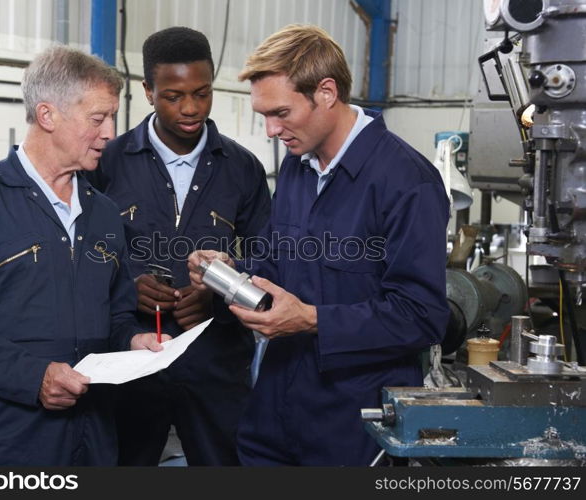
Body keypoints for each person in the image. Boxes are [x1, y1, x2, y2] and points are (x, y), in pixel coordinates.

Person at [188, 24, 450, 466]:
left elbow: (421, 316)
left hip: (352, 427)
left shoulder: (407, 182)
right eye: (263, 116)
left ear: (326, 92)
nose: (271, 130)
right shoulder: (297, 166)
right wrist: (229, 271)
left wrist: (312, 321)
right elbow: (276, 261)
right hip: (273, 416)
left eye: (281, 113)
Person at [0, 45, 166, 466]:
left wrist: (133, 340)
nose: (110, 133)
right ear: (48, 115)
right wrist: (33, 377)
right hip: (6, 440)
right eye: (98, 118)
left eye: (112, 117)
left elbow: (116, 314)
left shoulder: (104, 214)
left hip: (95, 434)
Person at [86, 27, 271, 465]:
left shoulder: (242, 169)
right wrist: (128, 285)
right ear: (148, 91)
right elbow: (82, 253)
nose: (190, 109)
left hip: (216, 364)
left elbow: (267, 259)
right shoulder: (106, 163)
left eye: (202, 93)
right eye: (173, 96)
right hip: (131, 361)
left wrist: (219, 297)